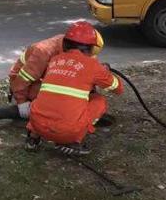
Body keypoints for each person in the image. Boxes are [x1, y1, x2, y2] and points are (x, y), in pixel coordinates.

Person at [25, 21, 123, 155]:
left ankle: (33, 137)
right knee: (99, 101)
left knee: (48, 99)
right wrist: (105, 72)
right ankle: (74, 141)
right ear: (90, 48)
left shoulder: (55, 60)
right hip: (66, 132)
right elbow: (118, 89)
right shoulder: (93, 66)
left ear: (65, 44)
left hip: (37, 123)